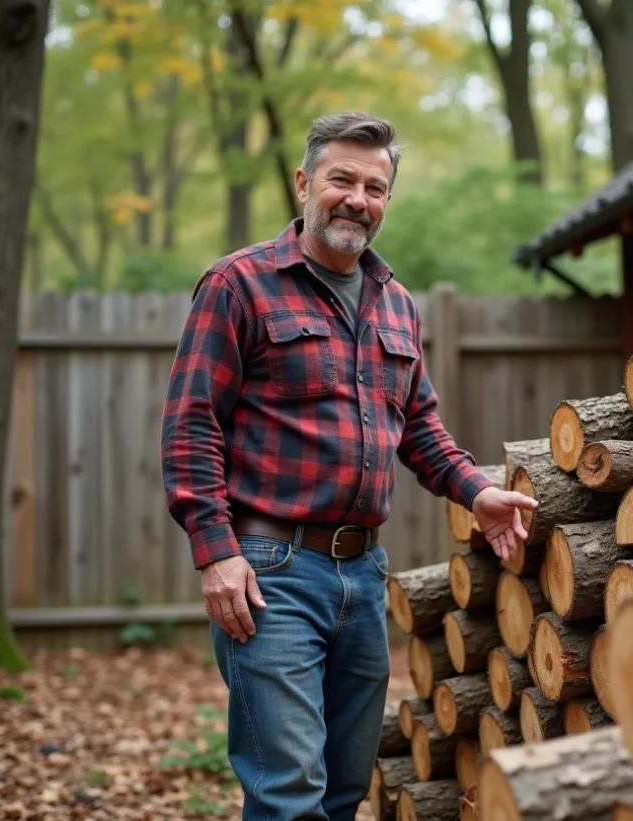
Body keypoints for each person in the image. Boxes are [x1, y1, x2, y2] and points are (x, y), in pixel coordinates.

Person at [159, 111, 538, 821]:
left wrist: (477, 489)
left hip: (363, 578)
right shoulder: (238, 284)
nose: (357, 198)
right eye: (342, 179)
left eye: (375, 186)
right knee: (288, 794)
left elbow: (417, 422)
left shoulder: (395, 303)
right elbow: (190, 424)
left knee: (340, 792)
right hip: (270, 570)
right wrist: (216, 554)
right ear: (305, 182)